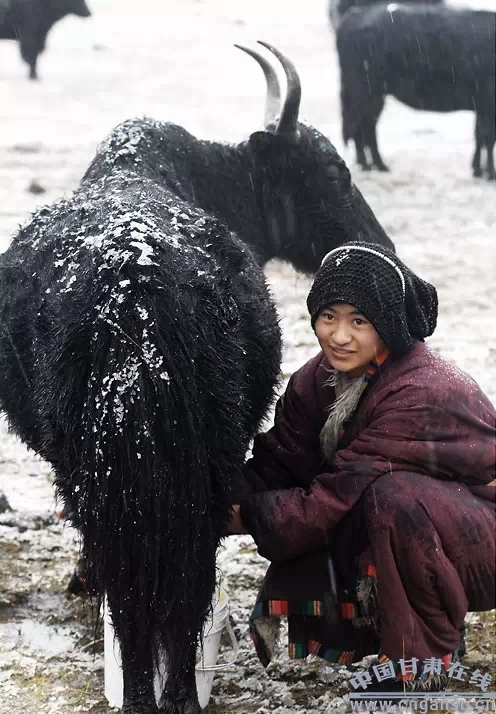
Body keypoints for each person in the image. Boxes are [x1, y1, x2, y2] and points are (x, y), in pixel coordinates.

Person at [228, 242, 495, 692]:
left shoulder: (419, 391)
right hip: (439, 529)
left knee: (390, 500)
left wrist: (248, 516)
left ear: (387, 324)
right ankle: (418, 622)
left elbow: (332, 498)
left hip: (481, 535)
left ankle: (419, 669)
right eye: (328, 316)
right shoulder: (318, 379)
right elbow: (282, 462)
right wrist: (212, 499)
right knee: (374, 502)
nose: (338, 336)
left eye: (358, 321)